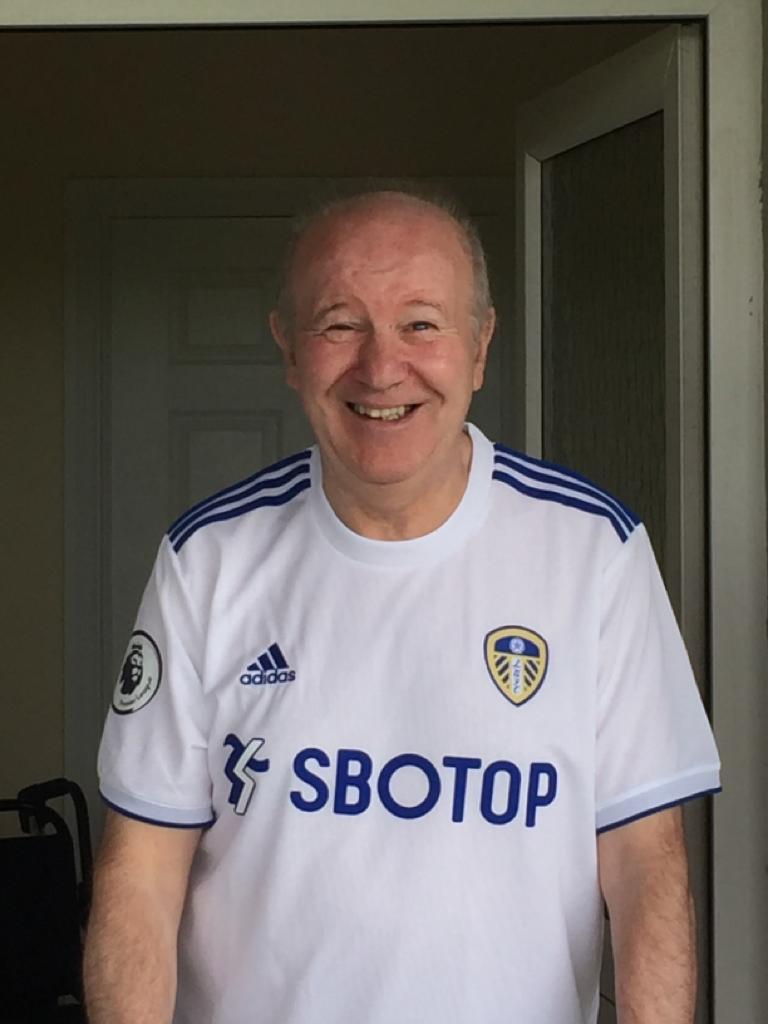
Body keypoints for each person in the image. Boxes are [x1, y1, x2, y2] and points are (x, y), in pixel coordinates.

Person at [84, 189, 721, 1024]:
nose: (382, 368)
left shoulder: (595, 551)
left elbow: (645, 867)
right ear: (288, 347)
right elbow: (141, 871)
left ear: (481, 344)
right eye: (340, 324)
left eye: (422, 323)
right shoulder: (208, 559)